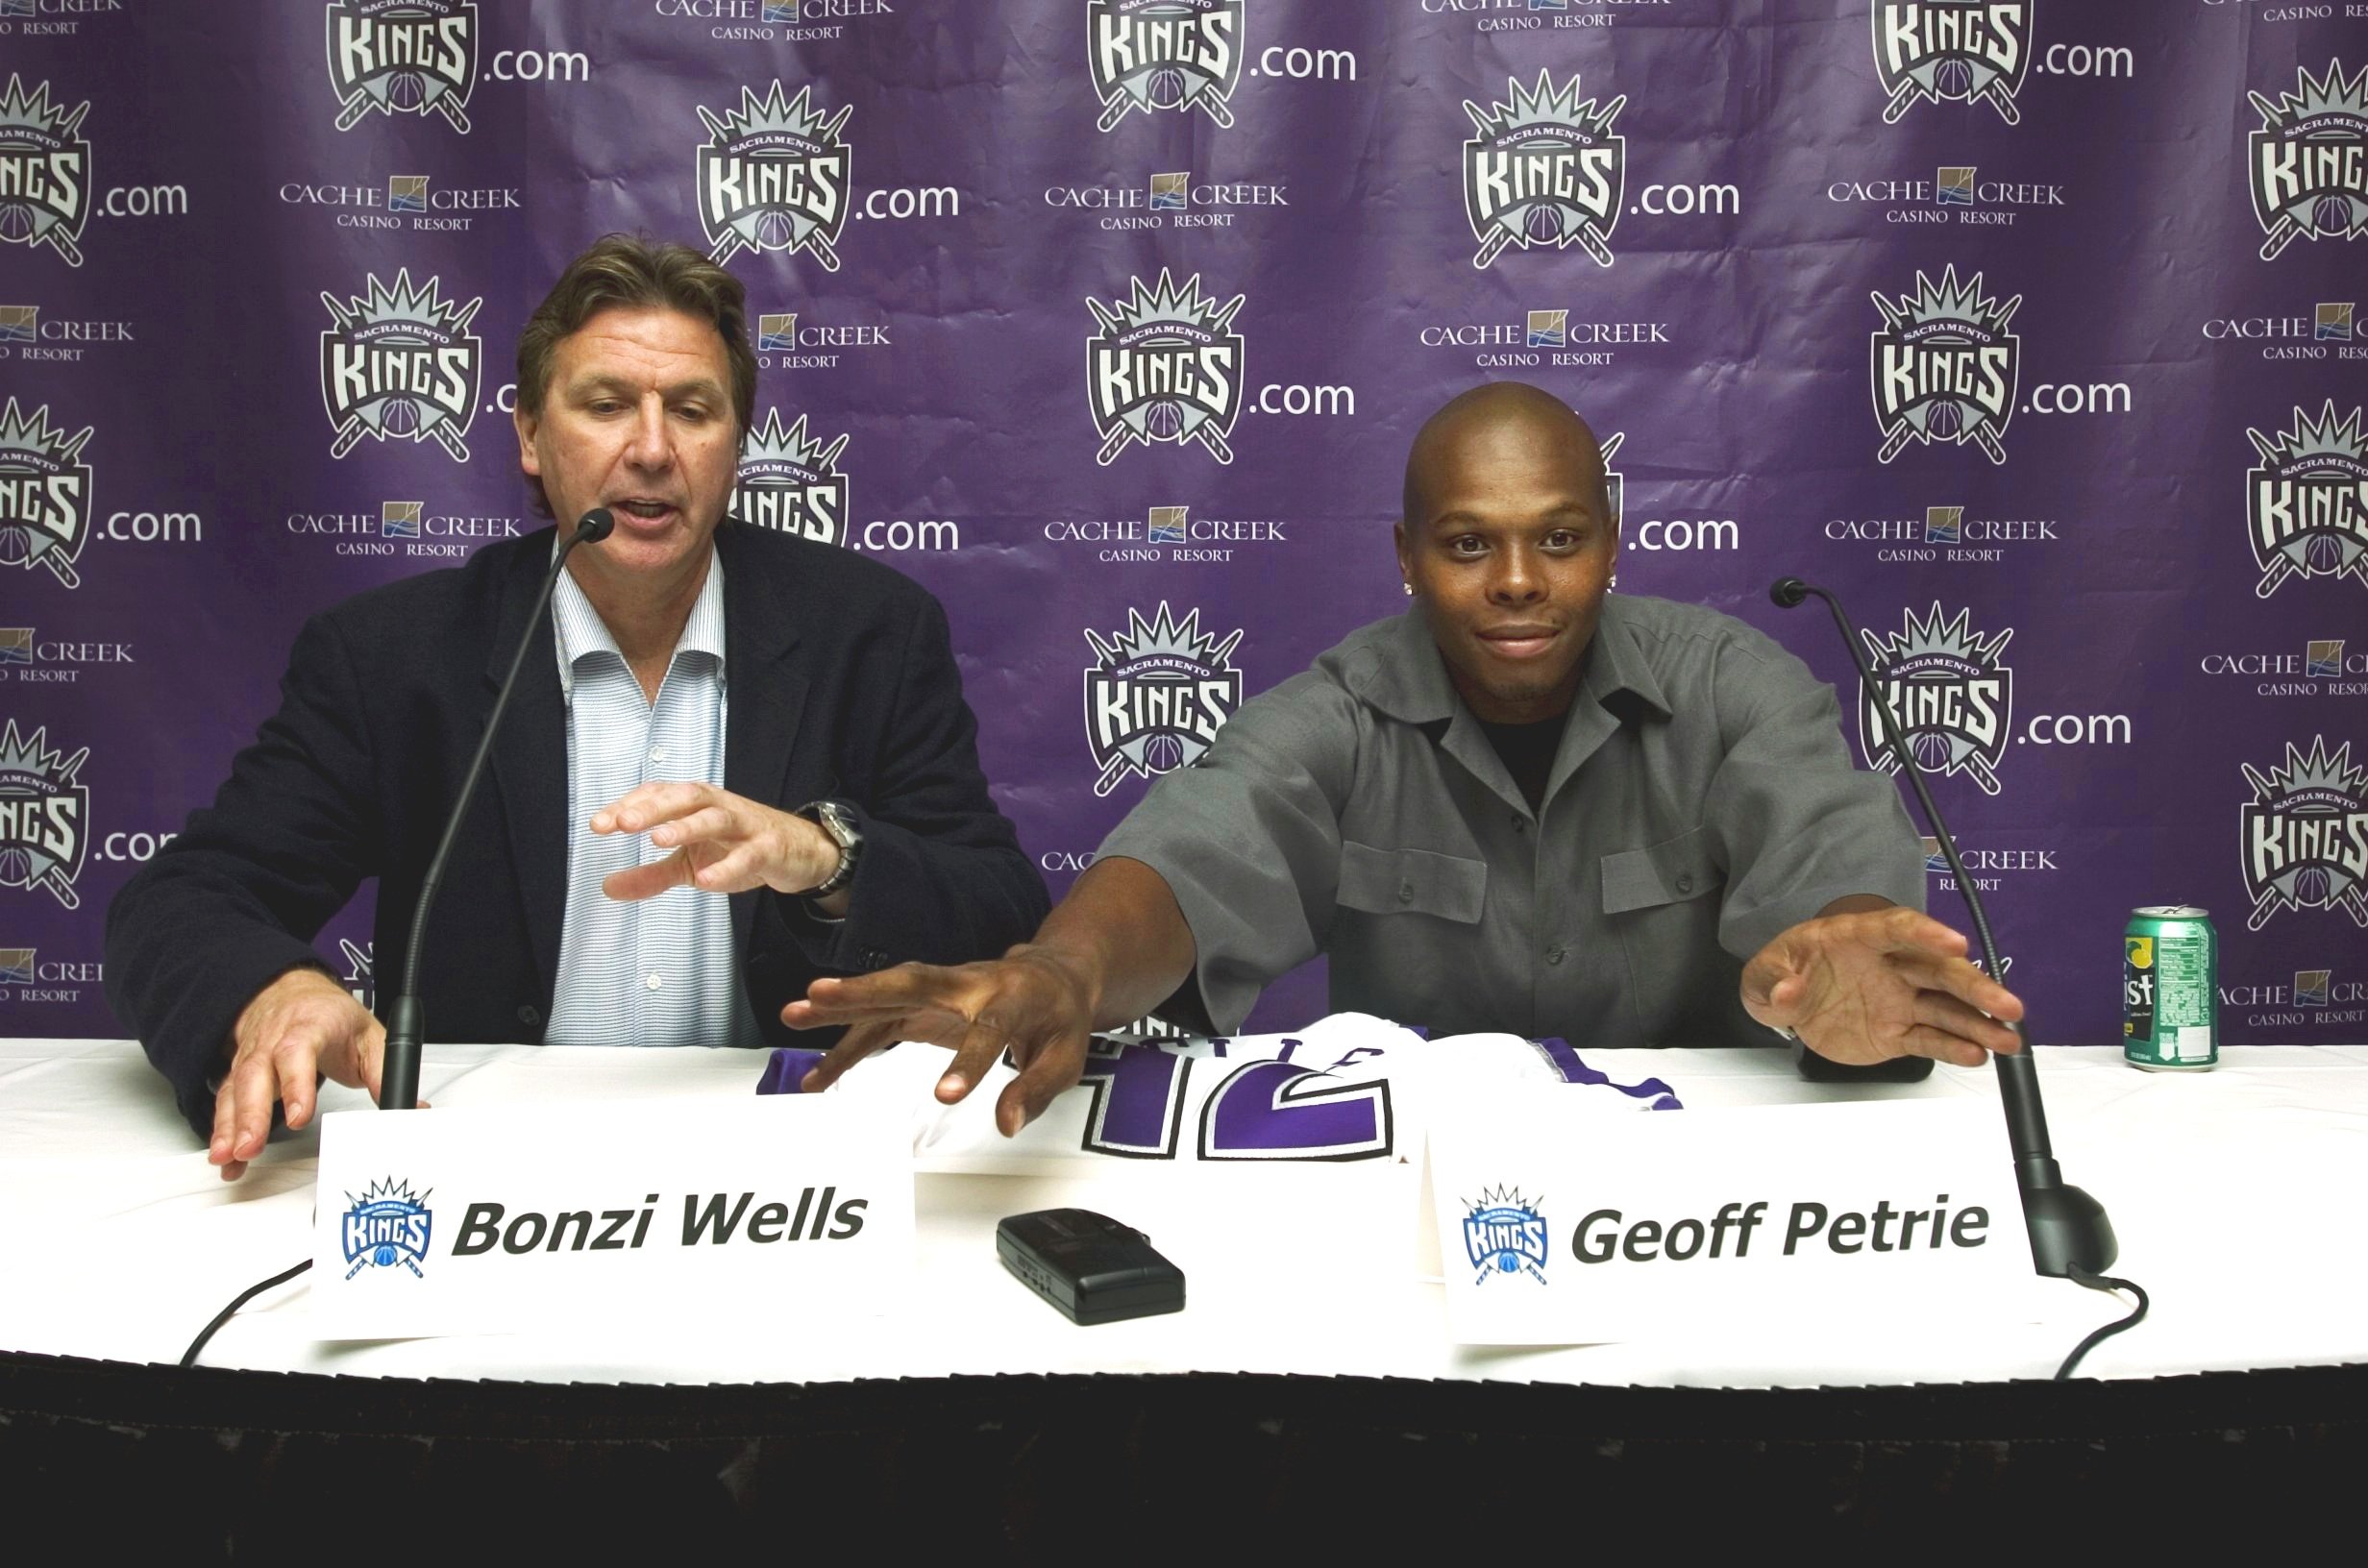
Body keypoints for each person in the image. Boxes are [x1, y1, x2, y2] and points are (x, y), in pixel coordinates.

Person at [786, 381, 2025, 1135]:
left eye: (1559, 537)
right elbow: (1197, 848)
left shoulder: (1727, 682)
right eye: (1467, 544)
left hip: (1695, 1197)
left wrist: (1844, 950)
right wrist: (1062, 968)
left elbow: (1825, 852)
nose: (1521, 582)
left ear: (1611, 542)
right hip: (1424, 1205)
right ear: (1405, 556)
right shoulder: (1345, 710)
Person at [107, 234, 1048, 1177]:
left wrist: (828, 858)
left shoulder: (869, 634)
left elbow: (1000, 913)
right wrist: (270, 990)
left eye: (691, 410)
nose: (650, 449)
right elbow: (182, 900)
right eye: (605, 406)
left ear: (735, 444)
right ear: (529, 435)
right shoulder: (396, 658)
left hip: (779, 1173)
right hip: (491, 1169)